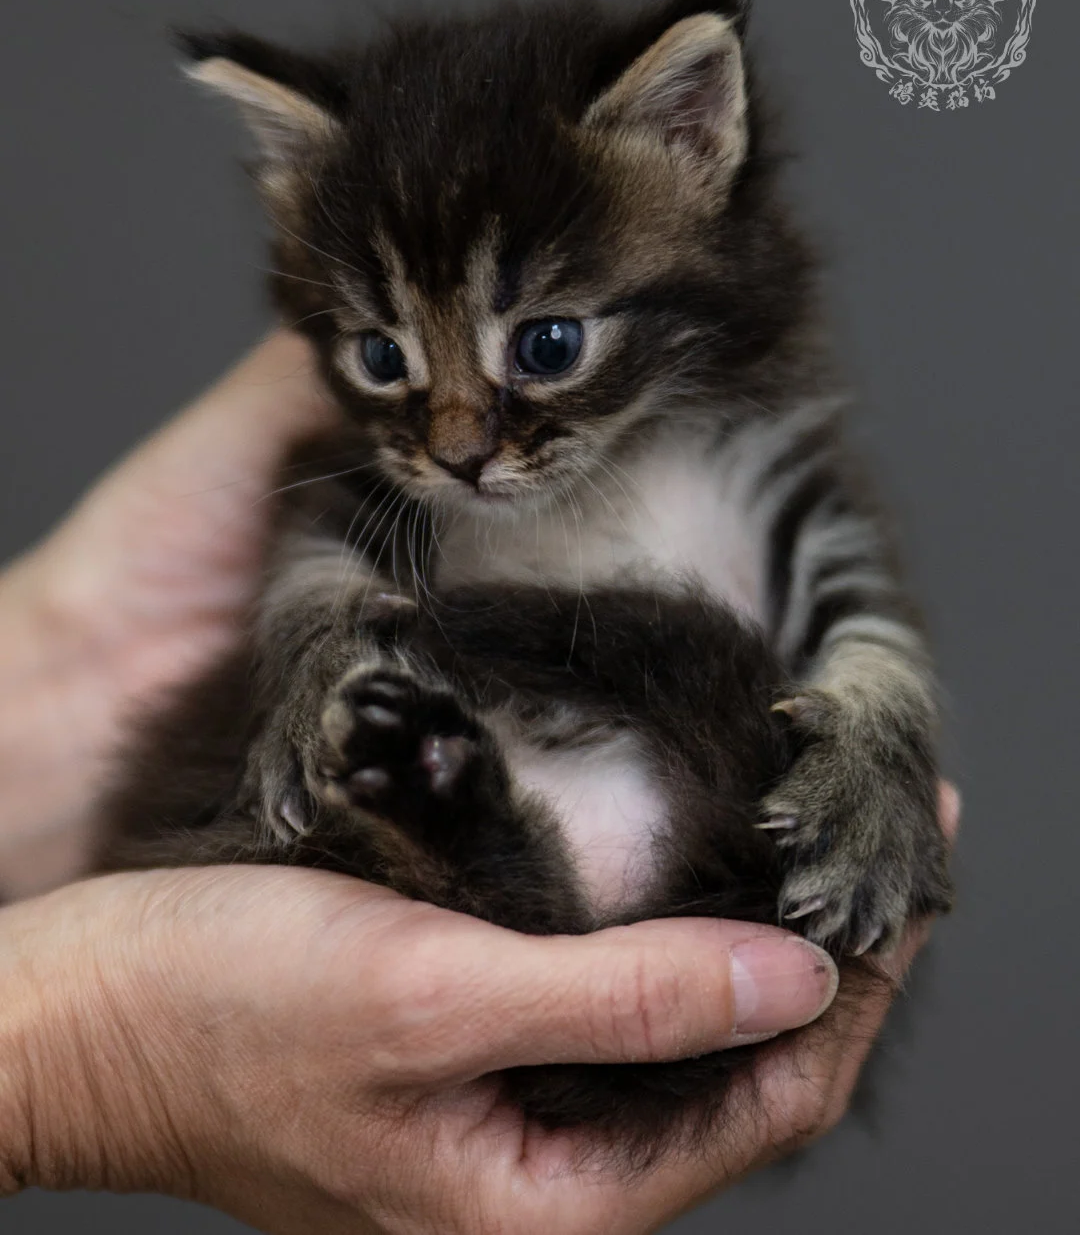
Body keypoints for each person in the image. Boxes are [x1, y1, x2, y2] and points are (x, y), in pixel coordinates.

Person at [0, 332, 958, 1235]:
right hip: (516, 824)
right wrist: (72, 1055)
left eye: (549, 345)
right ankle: (471, 848)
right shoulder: (385, 492)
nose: (460, 442)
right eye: (388, 352)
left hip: (653, 855)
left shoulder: (752, 453)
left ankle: (465, 843)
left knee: (724, 937)